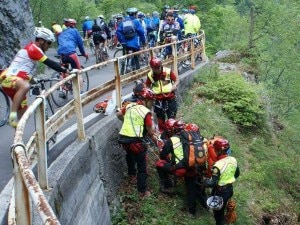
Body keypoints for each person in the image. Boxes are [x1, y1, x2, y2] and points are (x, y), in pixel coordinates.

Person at [0, 27, 69, 128]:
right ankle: (12, 116)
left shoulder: (31, 50)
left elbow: (23, 69)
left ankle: (18, 142)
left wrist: (33, 80)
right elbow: (50, 63)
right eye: (49, 43)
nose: (49, 46)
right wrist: (65, 70)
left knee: (22, 120)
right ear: (41, 41)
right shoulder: (34, 49)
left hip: (15, 82)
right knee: (25, 86)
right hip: (9, 79)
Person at [155, 120, 206, 217]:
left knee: (159, 164)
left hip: (180, 170)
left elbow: (162, 156)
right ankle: (192, 212)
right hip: (192, 168)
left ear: (174, 129)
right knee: (190, 188)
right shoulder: (192, 138)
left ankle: (168, 186)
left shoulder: (173, 140)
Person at [116, 88, 155, 198]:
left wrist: (126, 121)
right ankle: (142, 191)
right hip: (136, 140)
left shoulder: (129, 106)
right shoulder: (146, 112)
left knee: (129, 155)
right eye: (151, 101)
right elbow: (150, 130)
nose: (152, 104)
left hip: (123, 138)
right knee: (142, 165)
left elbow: (118, 114)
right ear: (146, 100)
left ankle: (132, 175)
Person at [204, 138, 240, 225]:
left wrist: (205, 182)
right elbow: (237, 174)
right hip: (229, 189)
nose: (214, 151)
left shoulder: (217, 166)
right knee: (222, 209)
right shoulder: (233, 159)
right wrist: (228, 180)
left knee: (218, 215)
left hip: (220, 192)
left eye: (215, 150)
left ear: (219, 151)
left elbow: (213, 183)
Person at [145, 57, 179, 132]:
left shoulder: (167, 71)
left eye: (158, 68)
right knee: (160, 120)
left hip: (170, 98)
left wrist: (174, 86)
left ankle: (172, 133)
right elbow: (147, 85)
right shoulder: (150, 75)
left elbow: (176, 80)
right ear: (152, 68)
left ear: (161, 66)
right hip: (158, 100)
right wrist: (150, 92)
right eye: (155, 68)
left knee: (171, 119)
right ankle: (163, 135)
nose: (157, 70)